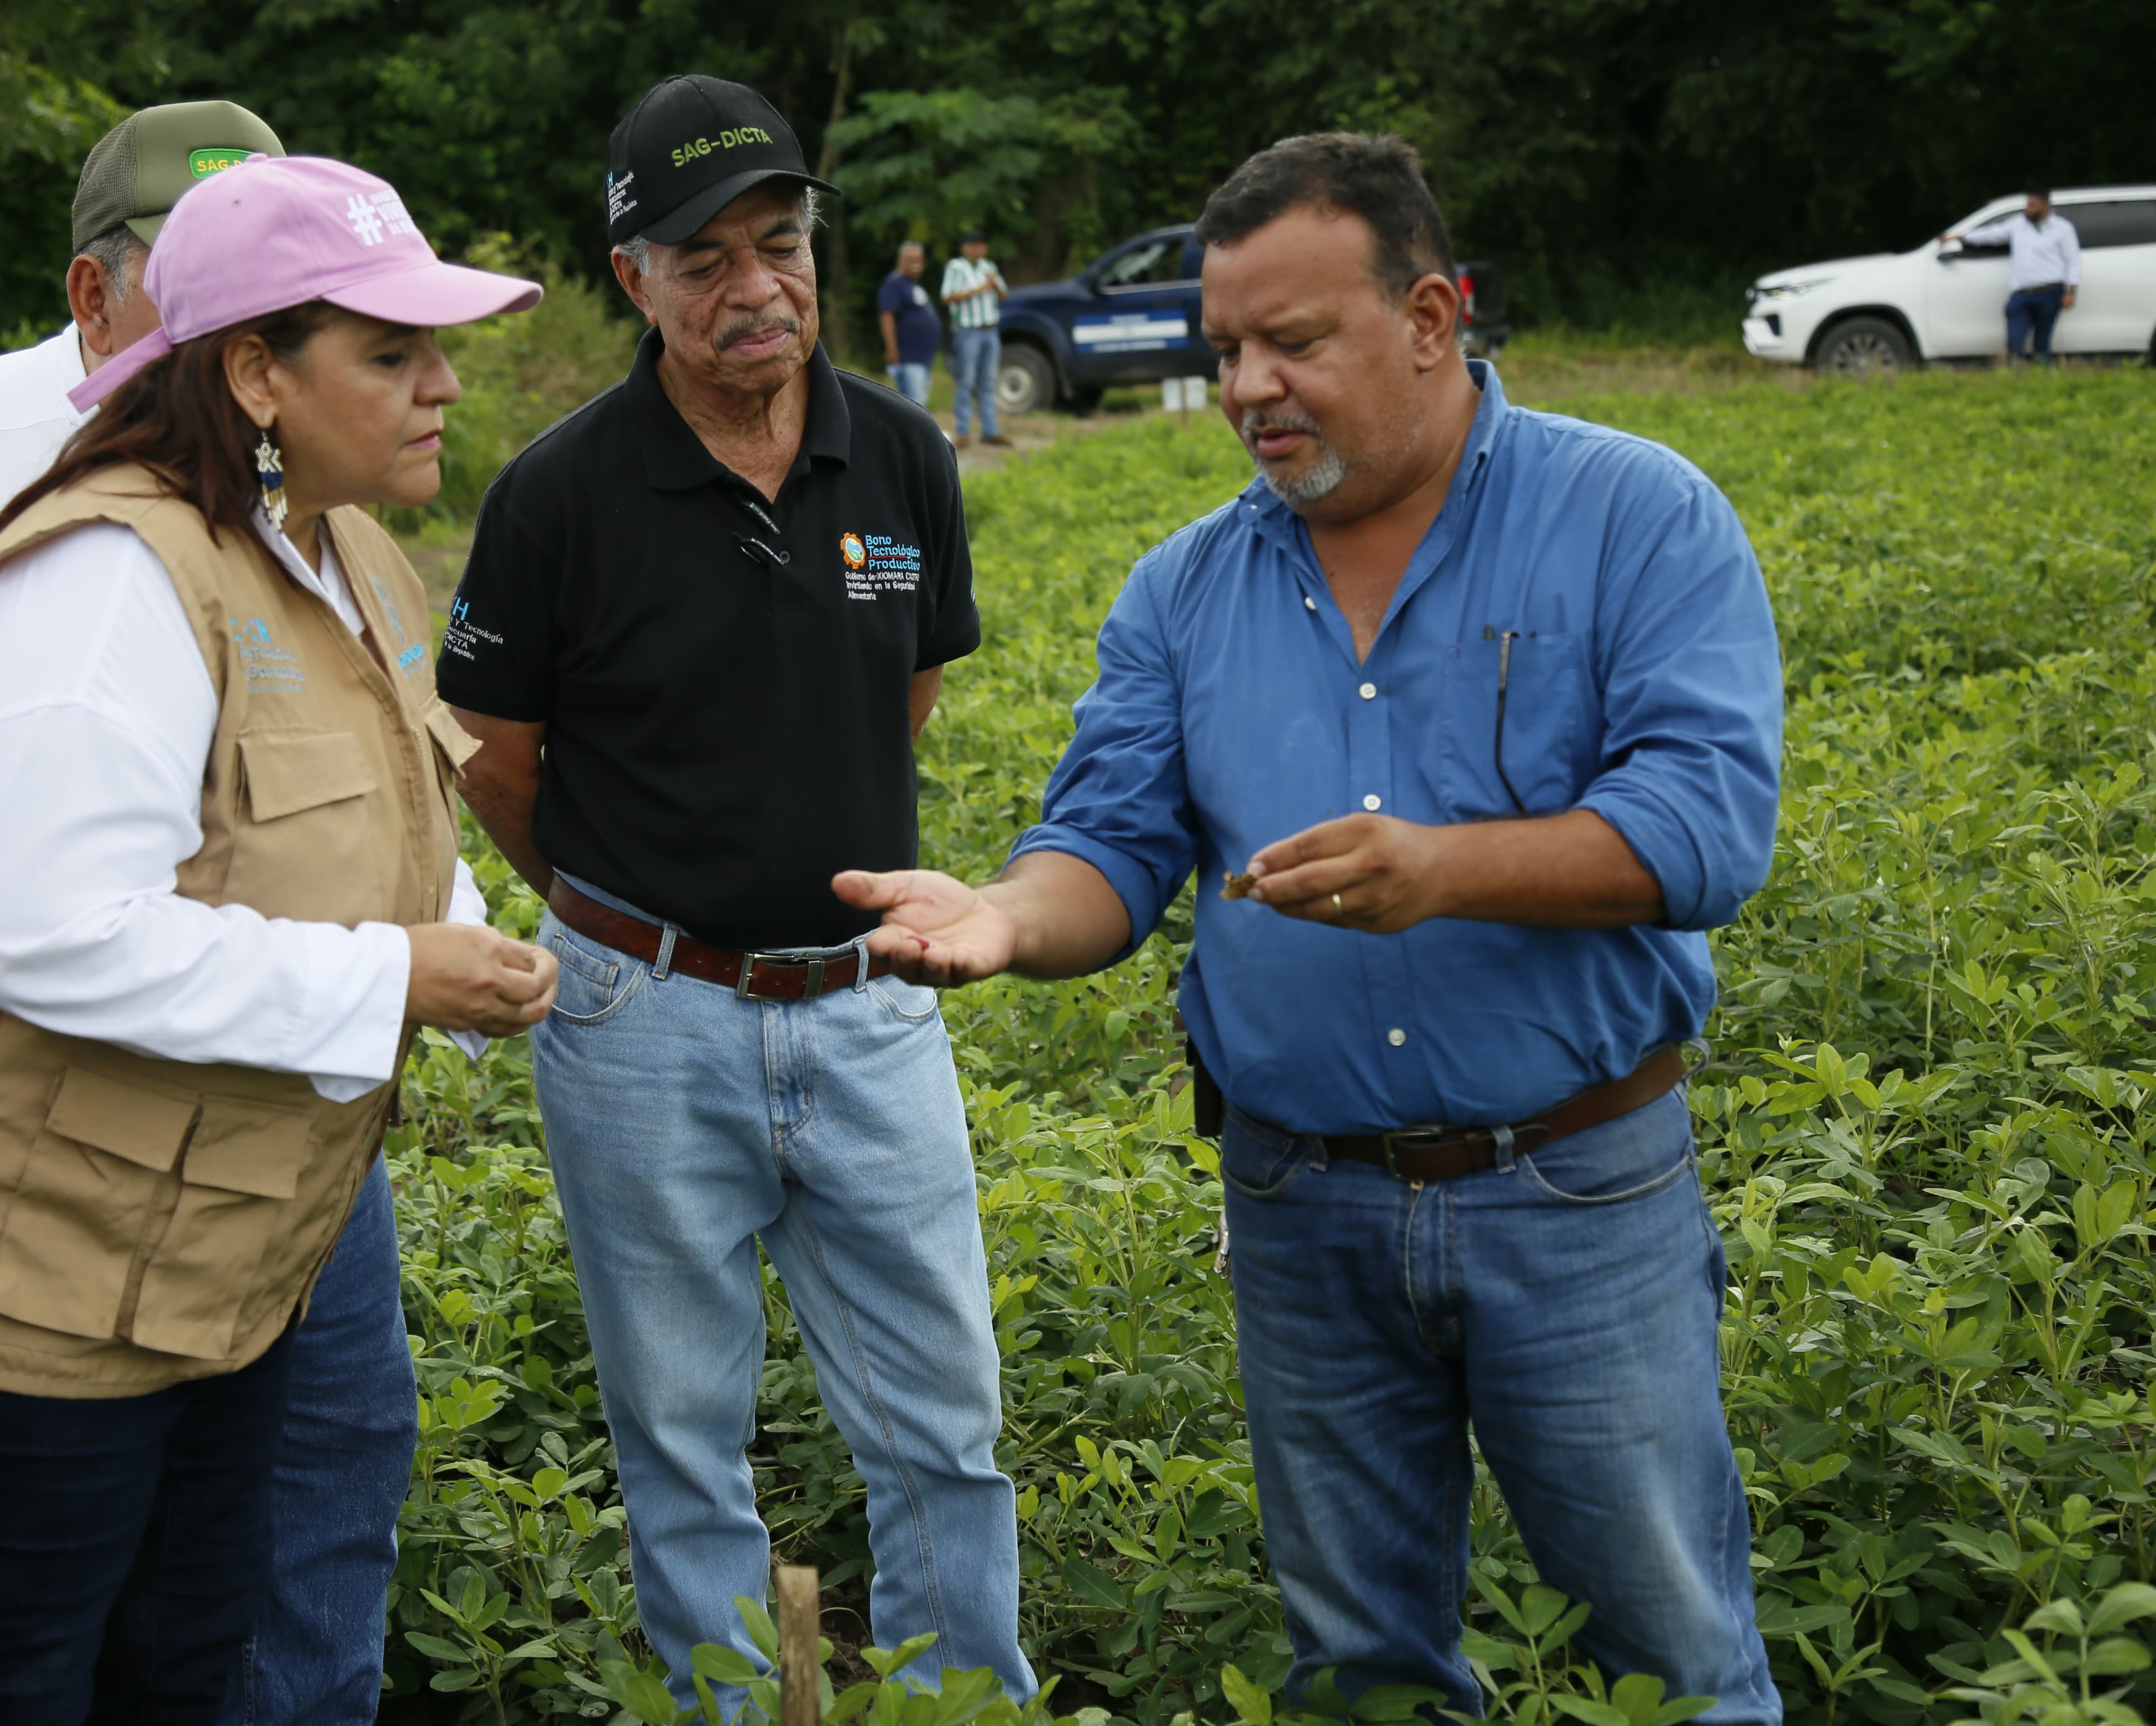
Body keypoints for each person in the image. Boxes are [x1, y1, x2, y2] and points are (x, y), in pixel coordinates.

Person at [836, 133, 1785, 1723]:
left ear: (1428, 316)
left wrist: (1449, 870)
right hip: (1299, 1201)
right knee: (1358, 1667)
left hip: (1572, 1187)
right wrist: (1003, 918)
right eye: (1223, 351)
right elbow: (1108, 845)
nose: (1246, 386)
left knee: (1672, 1657)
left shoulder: (1635, 515)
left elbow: (1704, 828)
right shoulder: (1184, 588)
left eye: (1293, 341)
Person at [0, 154, 558, 1721]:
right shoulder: (108, 574)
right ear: (252, 371)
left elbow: (379, 810)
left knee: (183, 1671)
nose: (444, 385)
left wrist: (462, 932)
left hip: (195, 1267)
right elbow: (56, 936)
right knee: (7, 1688)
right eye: (391, 353)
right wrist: (396, 976)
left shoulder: (347, 557)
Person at [438, 73, 1035, 1705]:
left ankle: (958, 1701)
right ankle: (713, 1700)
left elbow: (897, 688)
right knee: (681, 1430)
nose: (752, 287)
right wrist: (621, 916)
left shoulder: (901, 456)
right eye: (703, 259)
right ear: (630, 276)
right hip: (640, 1020)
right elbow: (494, 751)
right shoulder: (560, 493)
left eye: (778, 244)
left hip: (870, 1008)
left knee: (946, 1418)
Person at [1944, 187, 2081, 366]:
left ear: (2046, 206)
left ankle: (2043, 378)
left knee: (2042, 341)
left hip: (2050, 292)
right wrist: (1960, 238)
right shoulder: (2018, 225)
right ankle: (2017, 374)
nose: (2029, 209)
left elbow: (2073, 261)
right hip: (2022, 294)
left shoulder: (2062, 228)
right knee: (2015, 341)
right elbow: (1992, 234)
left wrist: (2071, 291)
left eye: (2033, 205)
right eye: (2028, 205)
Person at [940, 229, 1009, 446]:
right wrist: (980, 289)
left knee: (988, 381)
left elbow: (1003, 295)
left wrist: (994, 284)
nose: (980, 249)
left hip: (991, 329)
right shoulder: (956, 267)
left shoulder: (989, 266)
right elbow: (948, 296)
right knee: (967, 381)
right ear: (965, 248)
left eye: (983, 245)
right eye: (975, 245)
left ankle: (990, 430)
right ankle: (963, 431)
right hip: (968, 330)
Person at [877, 240, 940, 408]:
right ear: (900, 261)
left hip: (923, 357)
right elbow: (887, 316)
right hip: (908, 357)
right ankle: (915, 436)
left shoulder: (913, 285)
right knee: (914, 406)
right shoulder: (894, 284)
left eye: (919, 259)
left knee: (919, 403)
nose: (916, 264)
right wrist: (892, 349)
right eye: (911, 259)